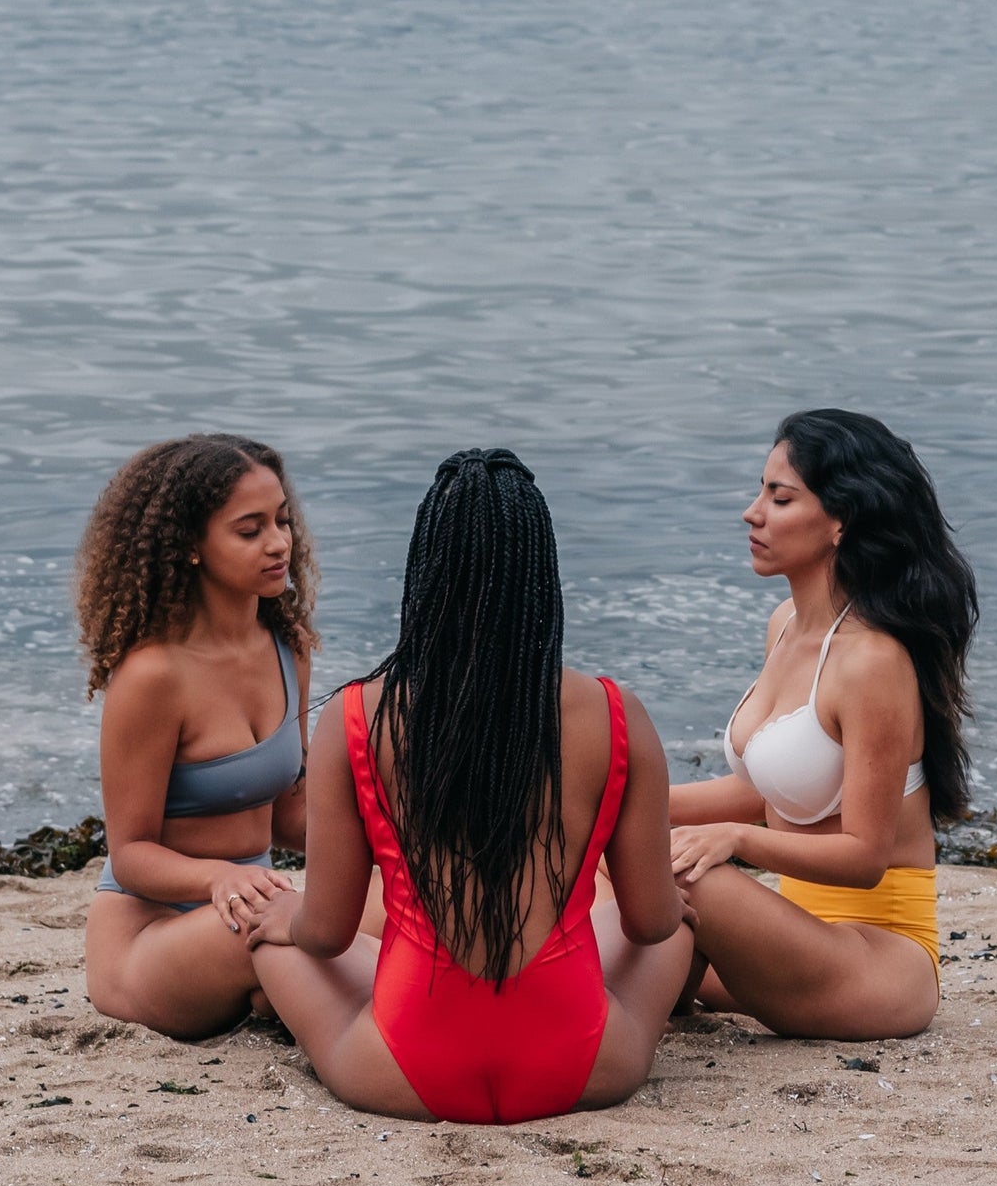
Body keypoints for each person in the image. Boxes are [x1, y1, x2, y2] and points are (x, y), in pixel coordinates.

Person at [246, 448, 693, 1125]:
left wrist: (287, 918)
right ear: (541, 574)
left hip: (405, 1066)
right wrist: (677, 910)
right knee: (680, 926)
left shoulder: (360, 716)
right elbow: (650, 922)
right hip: (581, 1066)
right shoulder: (614, 713)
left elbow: (329, 933)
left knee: (271, 942)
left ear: (425, 574)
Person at [668, 409, 978, 1040]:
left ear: (842, 521)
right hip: (791, 943)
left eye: (780, 498)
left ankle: (654, 983)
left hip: (876, 963)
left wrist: (736, 840)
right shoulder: (785, 624)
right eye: (760, 492)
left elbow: (865, 856)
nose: (753, 513)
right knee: (594, 842)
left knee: (681, 876)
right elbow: (772, 795)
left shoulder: (873, 661)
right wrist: (620, 800)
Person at [79, 433, 318, 1040]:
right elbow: (130, 855)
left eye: (282, 521)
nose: (278, 543)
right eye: (250, 530)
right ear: (190, 546)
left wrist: (399, 843)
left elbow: (292, 817)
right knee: (309, 928)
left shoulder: (287, 649)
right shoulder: (152, 676)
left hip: (250, 914)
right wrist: (218, 877)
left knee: (406, 896)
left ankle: (276, 990)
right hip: (151, 938)